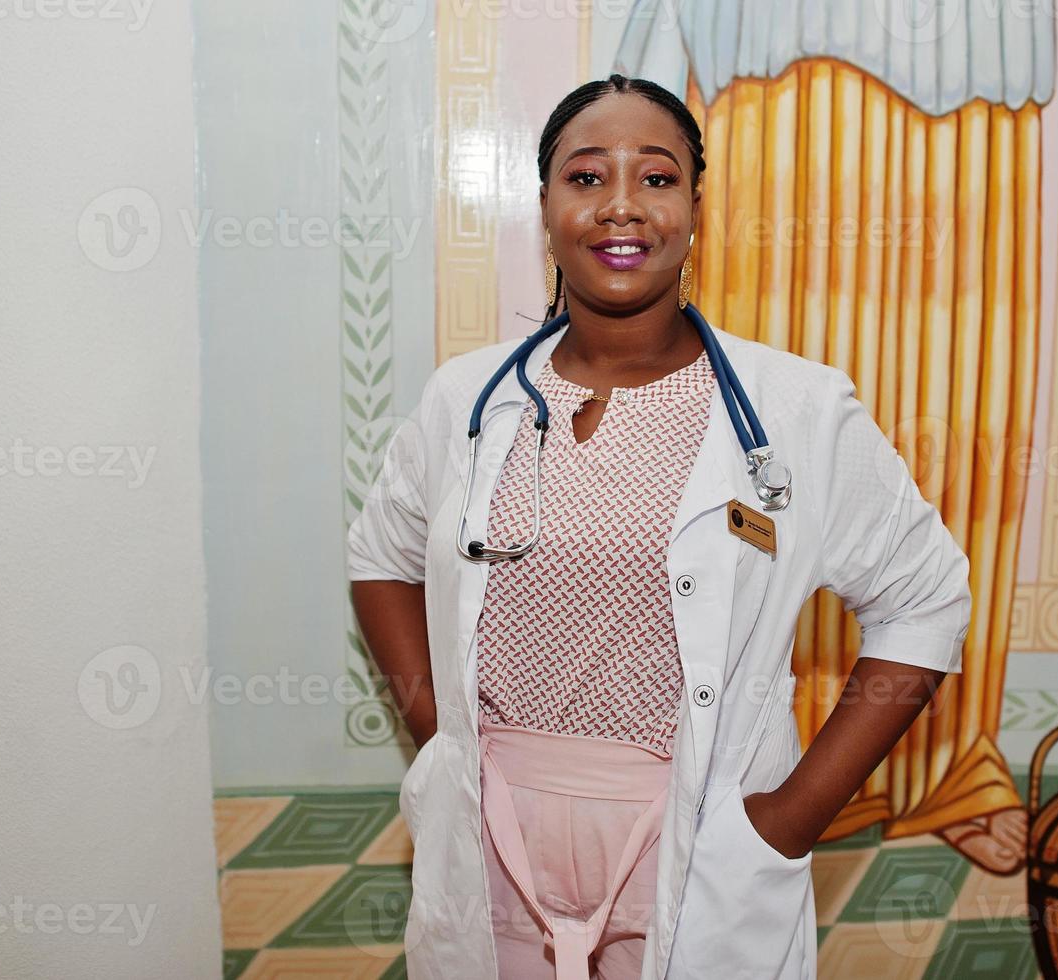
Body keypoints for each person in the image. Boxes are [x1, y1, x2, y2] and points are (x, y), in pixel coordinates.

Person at [348, 72, 1018, 980]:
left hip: (698, 835)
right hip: (488, 823)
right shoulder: (465, 400)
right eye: (585, 178)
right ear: (544, 207)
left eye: (655, 179)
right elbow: (380, 556)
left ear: (695, 209)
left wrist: (789, 819)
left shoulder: (797, 410)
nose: (620, 206)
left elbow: (926, 601)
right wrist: (439, 732)